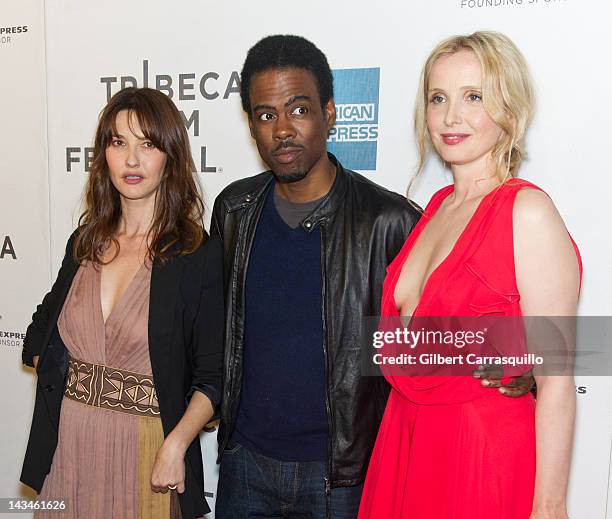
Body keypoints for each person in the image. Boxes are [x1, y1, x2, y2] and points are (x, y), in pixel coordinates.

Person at [212, 34, 533, 519]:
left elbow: (439, 323)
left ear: (330, 113)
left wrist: (522, 352)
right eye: (265, 114)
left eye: (298, 110)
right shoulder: (233, 210)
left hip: (344, 475)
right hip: (244, 468)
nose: (282, 130)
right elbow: (211, 328)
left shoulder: (392, 220)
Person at [358, 32, 582, 519]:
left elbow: (558, 379)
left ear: (509, 107)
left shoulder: (527, 211)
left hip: (482, 454)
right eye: (438, 98)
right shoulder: (436, 208)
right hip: (405, 442)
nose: (450, 116)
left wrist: (549, 505)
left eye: (473, 97)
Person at [20, 87, 223, 519]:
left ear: (169, 156)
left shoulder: (195, 254)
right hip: (68, 445)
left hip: (148, 449)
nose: (131, 159)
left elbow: (213, 377)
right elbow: (40, 329)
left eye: (147, 144)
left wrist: (177, 442)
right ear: (104, 155)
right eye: (118, 143)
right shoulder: (85, 243)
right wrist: (66, 377)